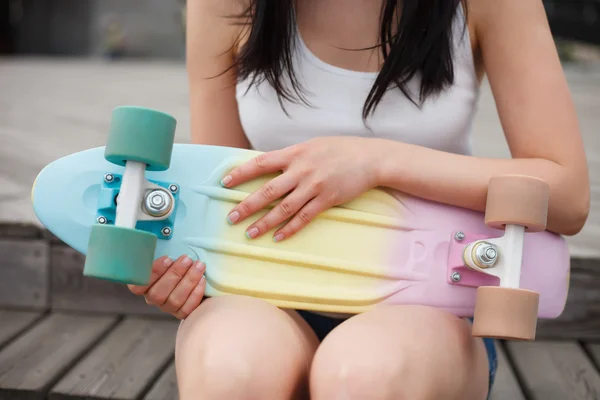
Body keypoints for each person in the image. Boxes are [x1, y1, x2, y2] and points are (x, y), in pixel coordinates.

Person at [128, 0, 590, 398]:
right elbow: (220, 192)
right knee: (230, 373)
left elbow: (567, 194)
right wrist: (181, 275)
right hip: (265, 293)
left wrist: (378, 162)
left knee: (363, 378)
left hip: (432, 306)